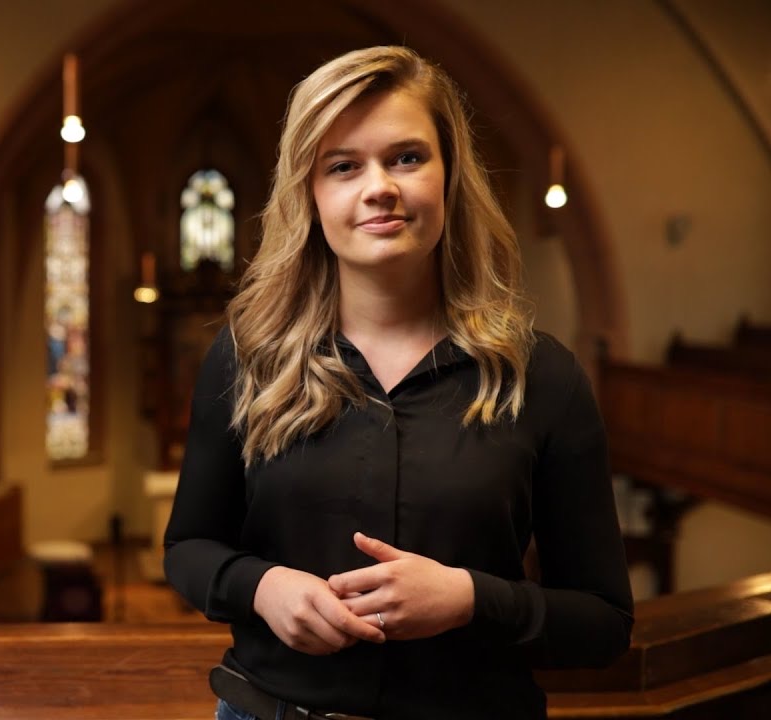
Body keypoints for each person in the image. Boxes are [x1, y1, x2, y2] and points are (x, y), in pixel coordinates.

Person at [163, 46, 633, 720]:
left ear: (449, 175)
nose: (378, 186)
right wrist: (262, 587)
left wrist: (469, 599)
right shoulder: (247, 359)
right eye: (343, 166)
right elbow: (188, 548)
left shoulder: (543, 377)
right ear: (310, 196)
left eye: (406, 158)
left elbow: (603, 622)